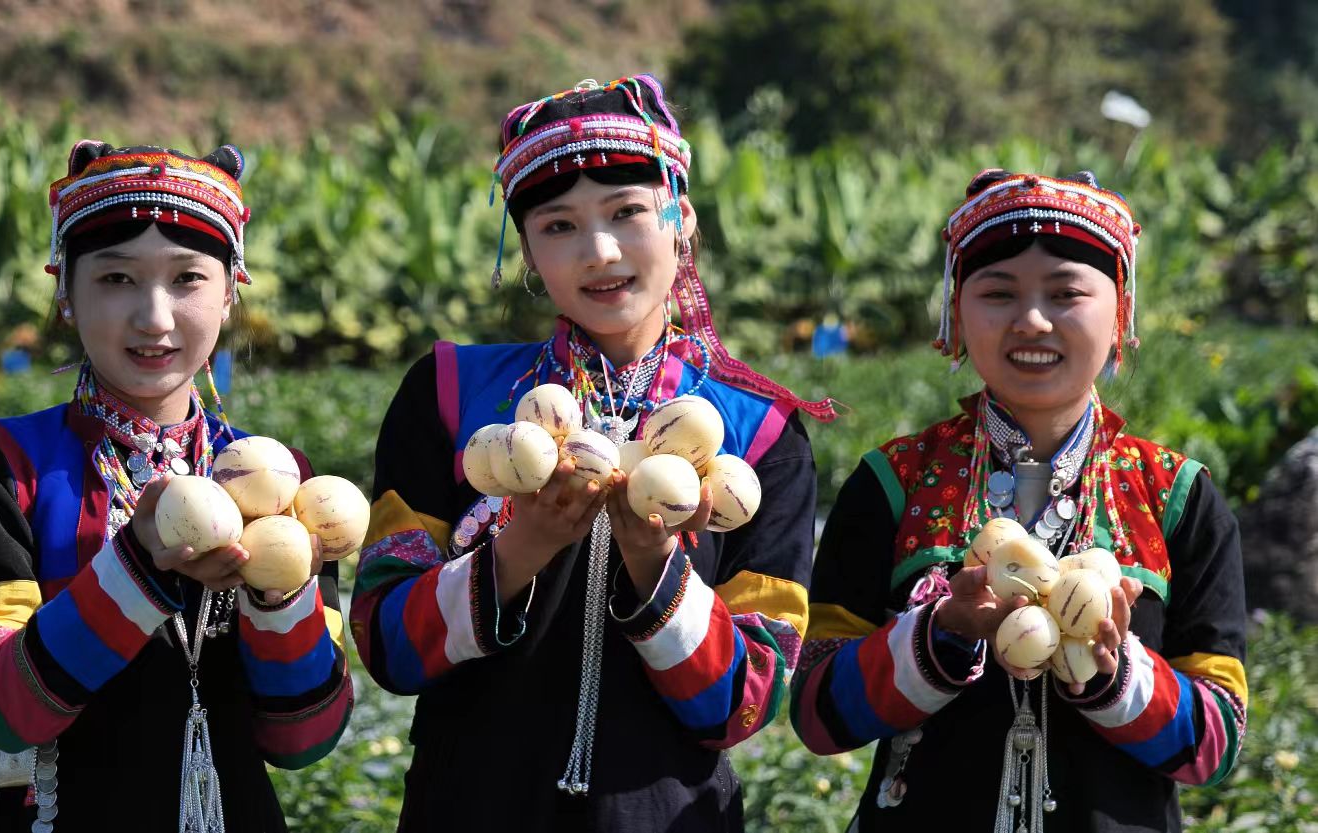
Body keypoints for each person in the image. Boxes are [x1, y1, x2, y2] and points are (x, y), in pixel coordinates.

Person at [350, 75, 836, 831]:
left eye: (626, 212)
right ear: (526, 252)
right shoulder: (449, 391)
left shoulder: (761, 428)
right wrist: (524, 544)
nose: (599, 250)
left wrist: (654, 563)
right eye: (557, 225)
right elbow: (386, 641)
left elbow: (744, 699)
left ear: (681, 219)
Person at [0, 142, 354, 832]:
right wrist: (141, 560)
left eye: (187, 279)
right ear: (66, 291)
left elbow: (304, 737)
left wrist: (279, 589)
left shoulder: (277, 479)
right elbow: (2, 707)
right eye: (116, 279)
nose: (154, 317)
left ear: (231, 290)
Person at [791, 170, 1248, 831]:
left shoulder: (1176, 496)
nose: (1030, 319)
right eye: (997, 292)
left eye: (1066, 293)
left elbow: (1216, 741)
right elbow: (815, 712)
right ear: (956, 312)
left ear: (1118, 311)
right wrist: (939, 635)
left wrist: (1111, 674)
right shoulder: (893, 482)